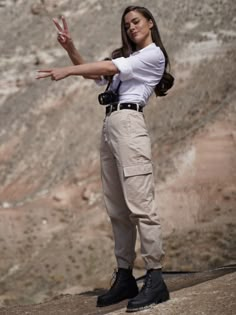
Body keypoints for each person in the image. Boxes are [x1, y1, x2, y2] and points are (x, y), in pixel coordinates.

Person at [37, 5, 174, 312]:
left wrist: (67, 71)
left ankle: (155, 278)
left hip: (129, 125)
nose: (131, 28)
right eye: (127, 25)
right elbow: (95, 73)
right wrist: (70, 49)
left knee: (141, 205)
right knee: (117, 207)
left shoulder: (152, 55)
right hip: (111, 126)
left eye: (136, 22)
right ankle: (125, 276)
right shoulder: (127, 59)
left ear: (150, 22)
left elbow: (109, 68)